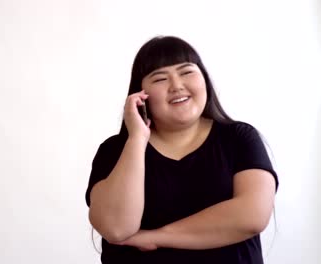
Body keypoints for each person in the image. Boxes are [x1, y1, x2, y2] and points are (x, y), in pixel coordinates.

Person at [85, 36, 279, 264]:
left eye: (186, 72)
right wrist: (137, 138)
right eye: (159, 78)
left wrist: (156, 237)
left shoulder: (239, 138)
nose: (176, 85)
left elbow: (252, 216)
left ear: (204, 80)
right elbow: (116, 228)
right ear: (140, 95)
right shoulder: (115, 150)